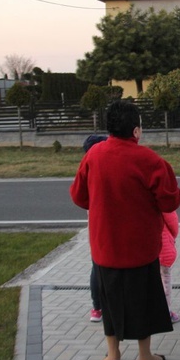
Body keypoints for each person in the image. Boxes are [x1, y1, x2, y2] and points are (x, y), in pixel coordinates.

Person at [70, 100, 180, 360]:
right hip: (140, 247)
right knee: (143, 300)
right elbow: (170, 201)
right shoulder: (150, 160)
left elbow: (79, 196)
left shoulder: (93, 156)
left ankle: (113, 355)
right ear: (135, 131)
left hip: (105, 245)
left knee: (109, 301)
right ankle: (145, 356)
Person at [81, 134, 108, 323]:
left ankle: (97, 307)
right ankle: (99, 306)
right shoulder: (97, 168)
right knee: (100, 264)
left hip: (95, 220)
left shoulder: (88, 167)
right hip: (103, 220)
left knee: (97, 263)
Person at [159, 210, 180, 323]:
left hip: (145, 250)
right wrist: (173, 235)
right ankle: (165, 313)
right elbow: (173, 222)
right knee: (165, 282)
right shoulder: (162, 198)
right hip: (163, 248)